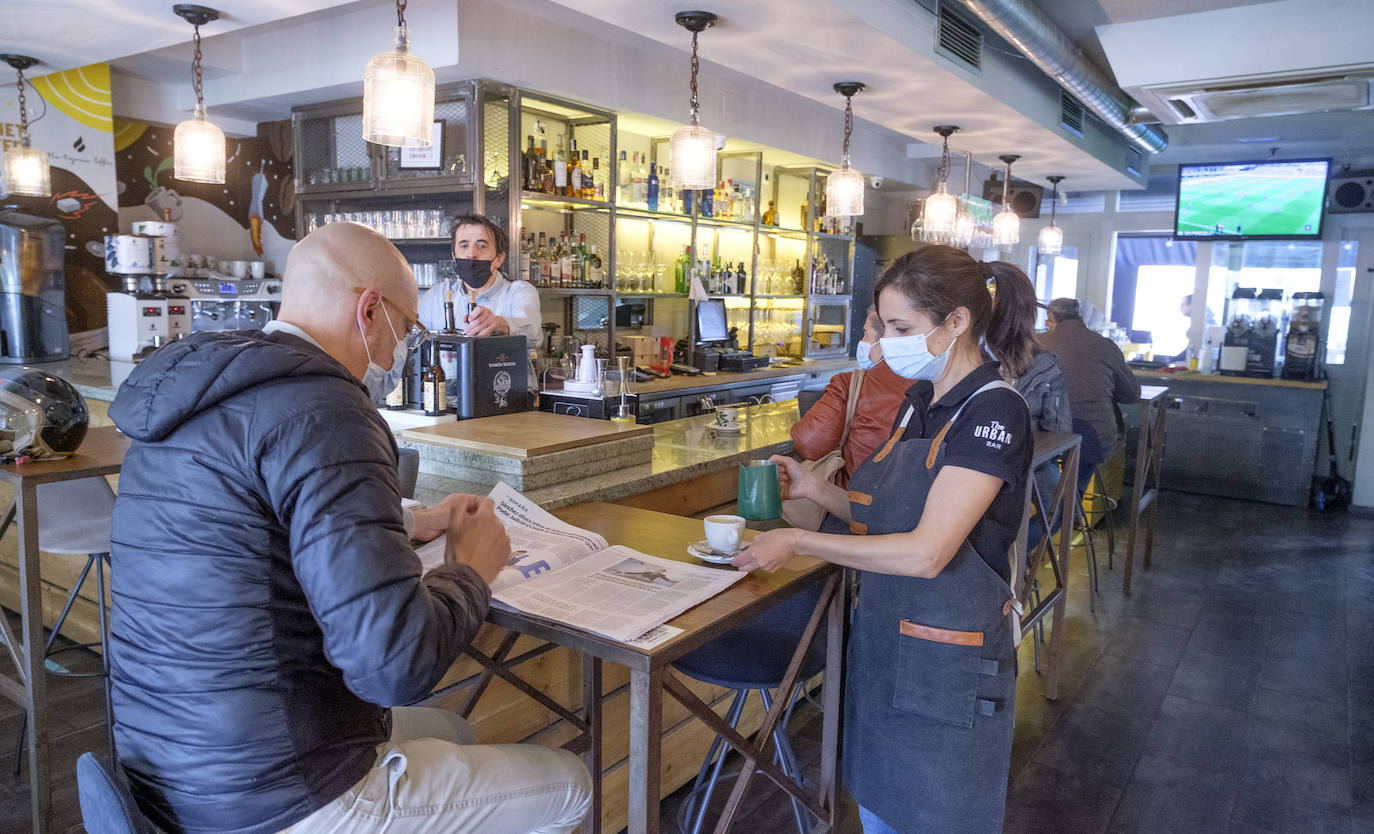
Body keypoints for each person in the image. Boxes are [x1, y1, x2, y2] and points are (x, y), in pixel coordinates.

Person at [108, 222, 591, 834]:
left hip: (168, 769)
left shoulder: (201, 393)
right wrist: (467, 570)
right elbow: (394, 666)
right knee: (572, 784)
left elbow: (256, 527)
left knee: (455, 730)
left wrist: (412, 521)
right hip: (280, 791)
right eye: (407, 330)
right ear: (369, 311)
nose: (399, 352)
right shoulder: (328, 409)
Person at [735, 245, 1037, 834]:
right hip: (886, 647)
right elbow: (885, 514)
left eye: (901, 328)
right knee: (880, 811)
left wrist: (800, 544)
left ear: (956, 322)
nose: (885, 343)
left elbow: (925, 551)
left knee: (932, 814)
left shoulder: (992, 412)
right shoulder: (920, 403)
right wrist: (816, 491)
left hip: (947, 658)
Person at [790, 306, 909, 487]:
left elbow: (808, 441)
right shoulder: (938, 381)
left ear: (887, 340)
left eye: (866, 334)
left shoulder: (851, 383)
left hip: (855, 498)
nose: (862, 341)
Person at [418, 212, 540, 345]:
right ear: (454, 256)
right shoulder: (438, 295)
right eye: (464, 245)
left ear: (499, 259)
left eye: (481, 246)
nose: (471, 254)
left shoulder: (518, 292)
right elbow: (409, 336)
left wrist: (502, 325)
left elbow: (534, 333)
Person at [1039, 297, 1140, 451]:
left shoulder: (1036, 343)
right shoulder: (1105, 345)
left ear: (1051, 320)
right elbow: (1131, 394)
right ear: (1081, 318)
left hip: (1048, 435)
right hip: (1098, 437)